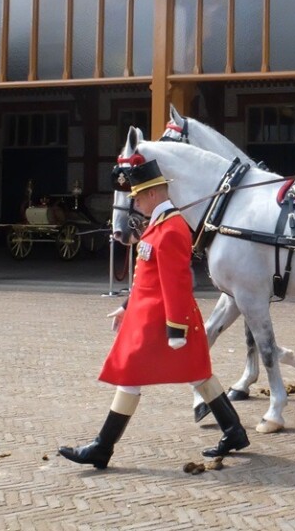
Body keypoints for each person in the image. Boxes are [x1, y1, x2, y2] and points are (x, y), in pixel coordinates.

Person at [59, 159, 249, 469]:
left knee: (133, 376)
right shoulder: (162, 225)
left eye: (136, 197)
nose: (134, 202)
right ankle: (234, 431)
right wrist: (124, 308)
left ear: (150, 194)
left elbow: (176, 284)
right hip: (149, 320)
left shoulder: (171, 228)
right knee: (198, 374)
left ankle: (102, 447)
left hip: (163, 322)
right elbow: (147, 277)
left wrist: (175, 329)